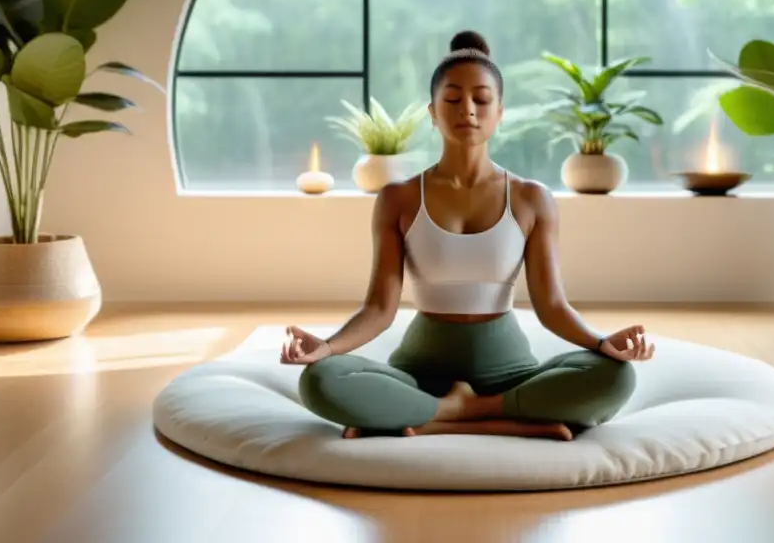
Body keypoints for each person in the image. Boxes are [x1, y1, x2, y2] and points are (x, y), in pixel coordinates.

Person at [280, 31, 654, 441]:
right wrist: (327, 347)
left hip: (511, 375)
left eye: (481, 99)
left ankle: (445, 417)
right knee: (320, 380)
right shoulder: (398, 198)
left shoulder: (532, 198)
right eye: (453, 99)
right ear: (433, 113)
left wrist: (602, 343)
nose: (468, 110)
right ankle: (499, 420)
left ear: (499, 112)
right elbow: (379, 309)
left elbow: (552, 306)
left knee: (616, 377)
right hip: (419, 374)